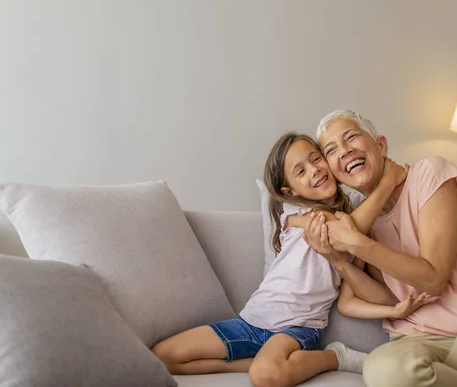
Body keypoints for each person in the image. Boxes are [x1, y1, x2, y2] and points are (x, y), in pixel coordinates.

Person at [152, 132, 437, 387]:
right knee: (162, 357)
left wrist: (393, 309)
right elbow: (345, 231)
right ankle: (259, 362)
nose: (314, 170)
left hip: (297, 328)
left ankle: (334, 357)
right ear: (291, 192)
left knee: (267, 377)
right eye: (301, 171)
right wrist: (388, 180)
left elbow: (350, 295)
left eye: (316, 159)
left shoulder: (360, 236)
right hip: (250, 322)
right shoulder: (294, 214)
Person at [304, 109, 457, 387]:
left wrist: (358, 244)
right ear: (335, 173)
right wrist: (339, 261)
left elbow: (435, 279)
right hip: (420, 346)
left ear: (381, 145)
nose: (344, 151)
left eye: (351, 137)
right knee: (383, 368)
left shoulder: (429, 173)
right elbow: (389, 299)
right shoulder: (358, 220)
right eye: (331, 150)